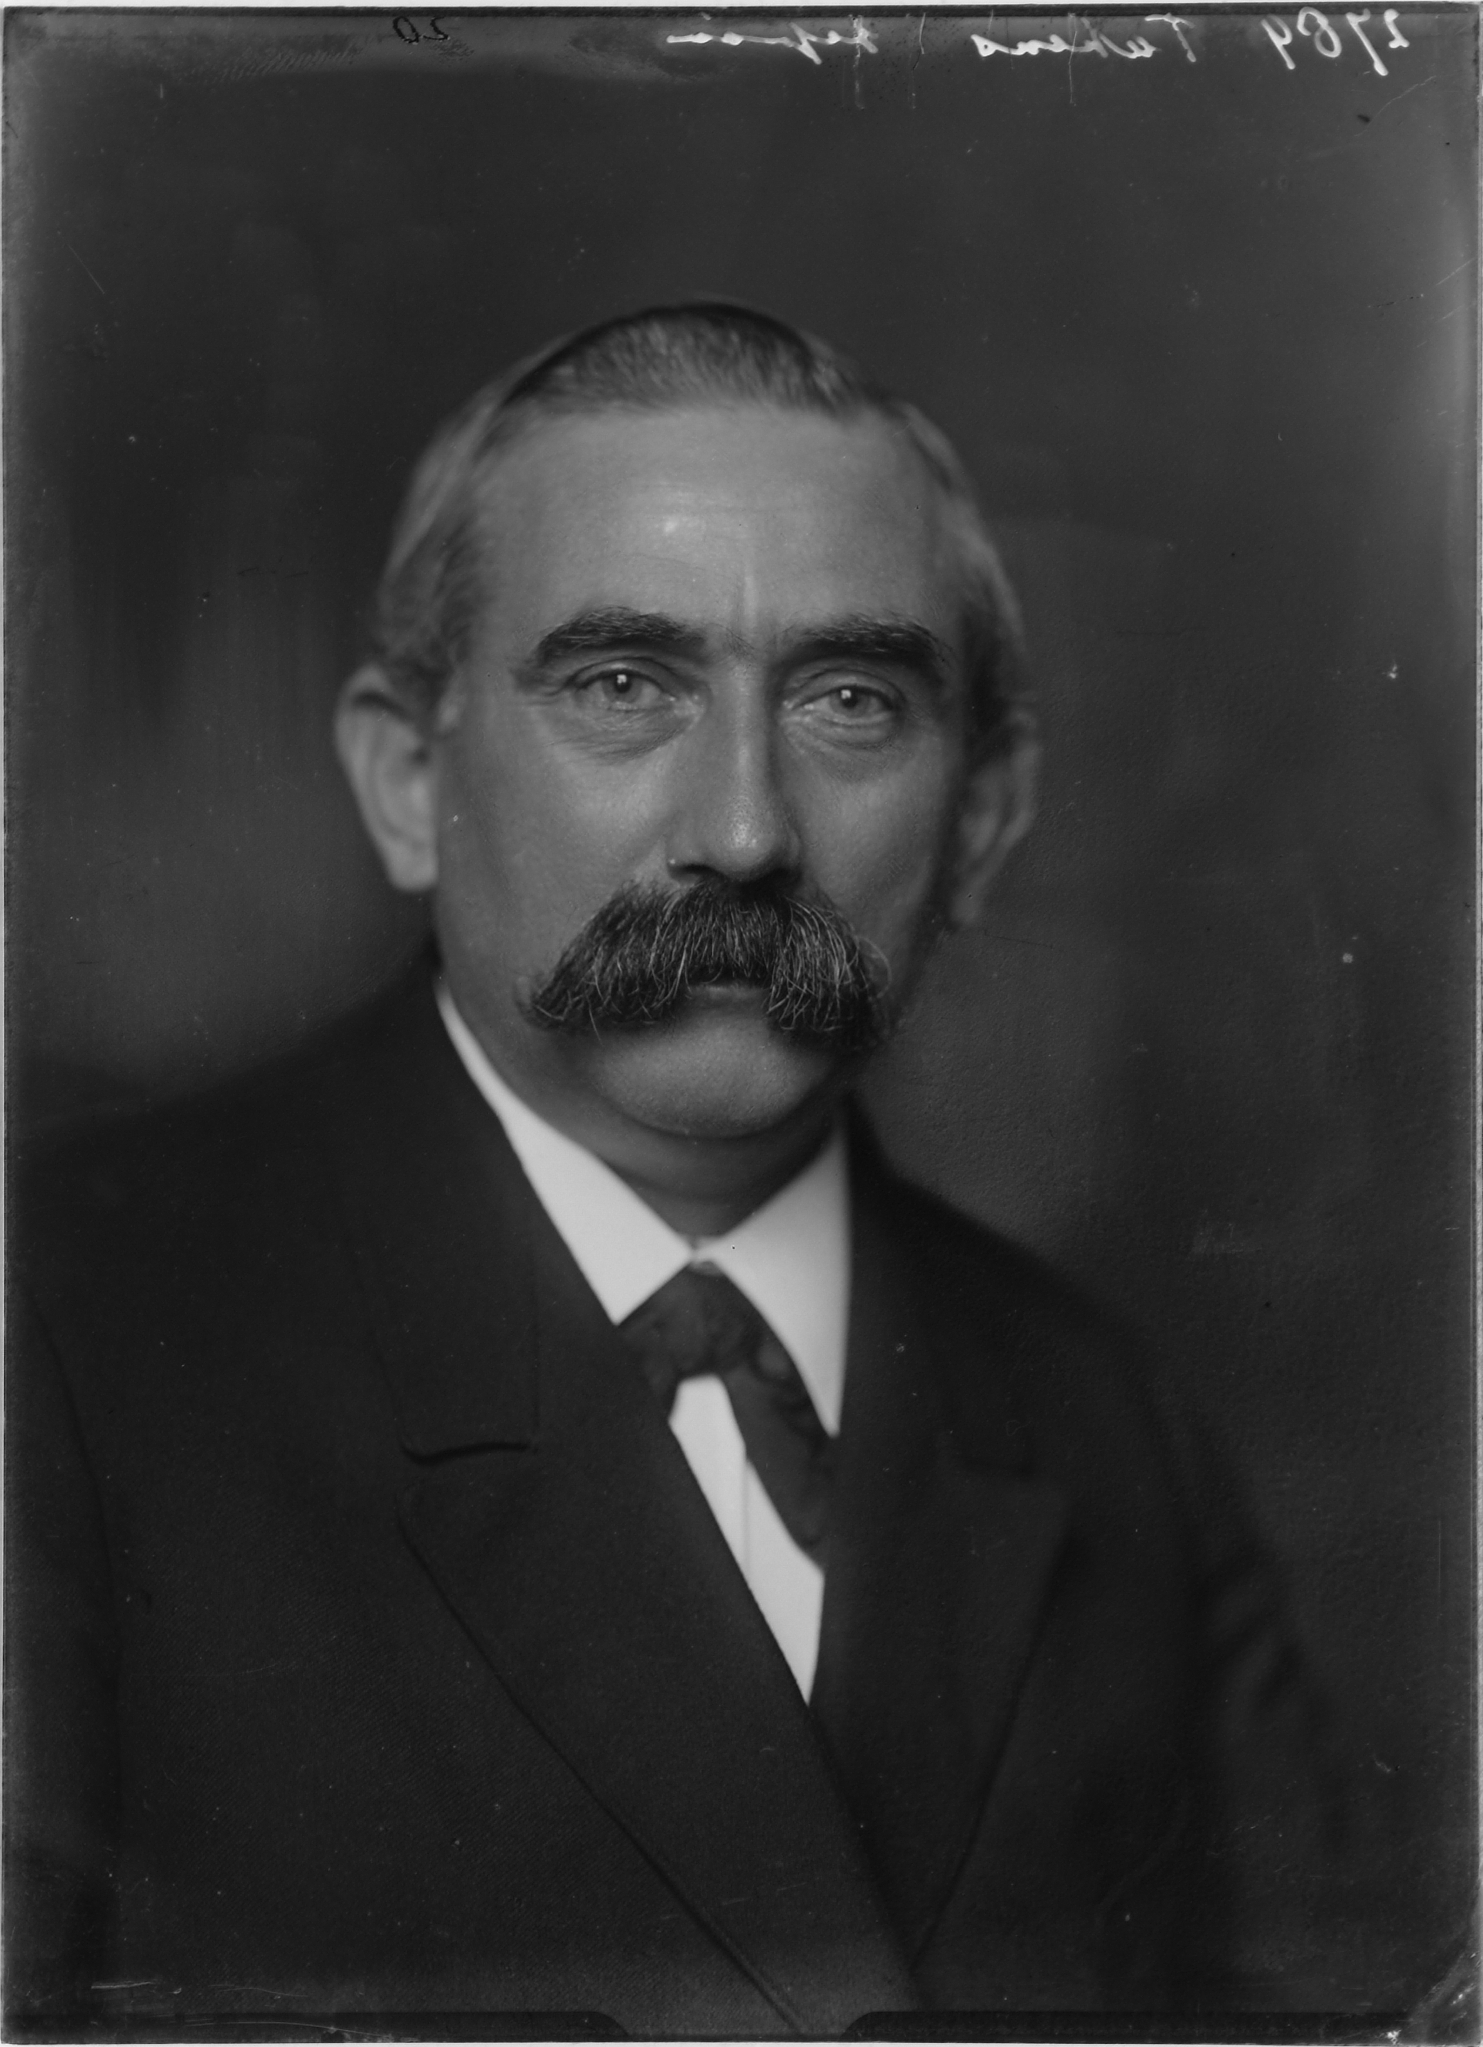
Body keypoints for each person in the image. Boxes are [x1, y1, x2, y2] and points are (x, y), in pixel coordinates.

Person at [7, 305, 1344, 2033]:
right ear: (408, 781)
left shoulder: (1114, 1430)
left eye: (851, 702)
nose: (744, 831)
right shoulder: (56, 1334)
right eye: (622, 687)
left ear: (984, 819)